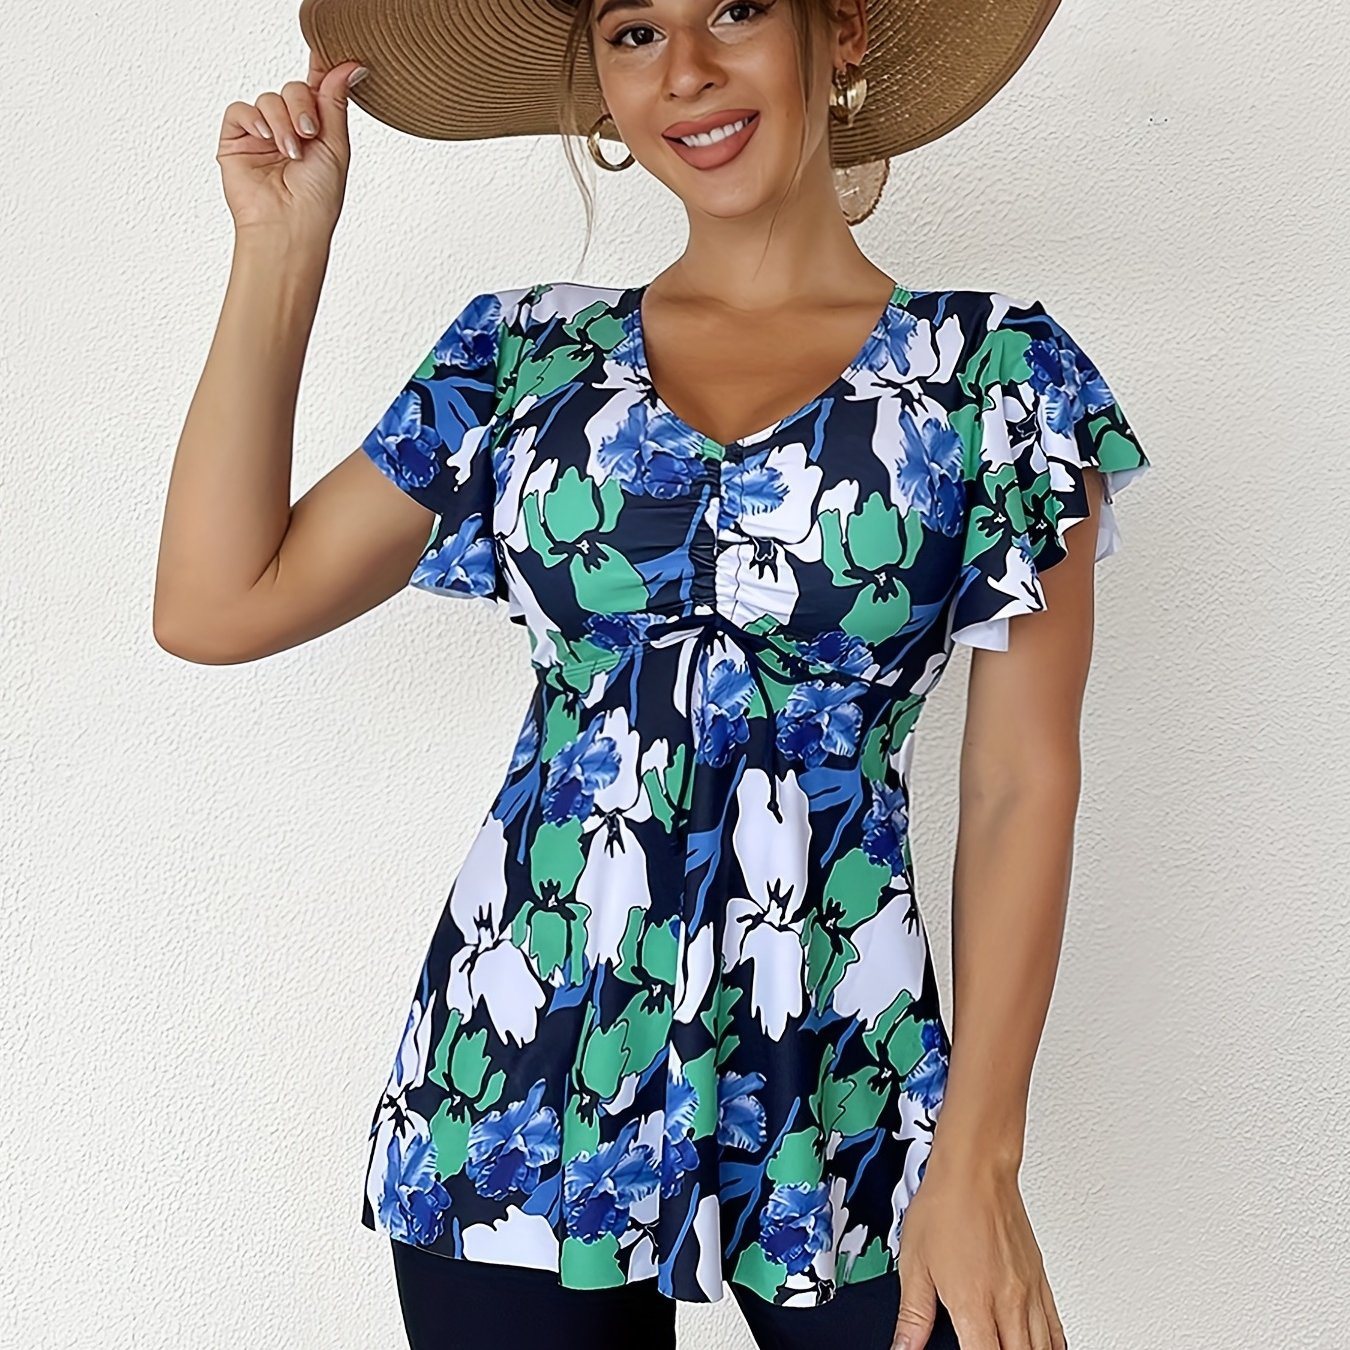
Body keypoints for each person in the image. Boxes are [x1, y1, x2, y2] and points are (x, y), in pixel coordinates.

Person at [155, 0, 1151, 1346]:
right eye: (633, 30)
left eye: (735, 8)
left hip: (847, 1075)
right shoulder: (520, 356)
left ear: (841, 33)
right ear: (603, 85)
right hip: (517, 1077)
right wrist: (282, 249)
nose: (686, 70)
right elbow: (215, 604)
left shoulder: (998, 379)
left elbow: (1019, 783)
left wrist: (978, 1157)